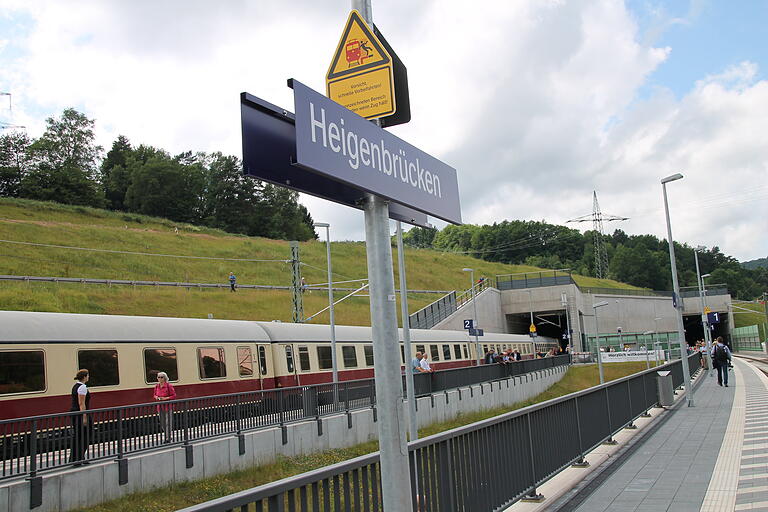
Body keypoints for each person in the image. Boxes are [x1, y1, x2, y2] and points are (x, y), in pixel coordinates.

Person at [69, 369, 91, 466]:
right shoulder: (82, 387)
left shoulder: (75, 386)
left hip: (75, 414)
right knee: (85, 435)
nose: (88, 377)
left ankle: (76, 458)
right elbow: (81, 403)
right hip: (80, 414)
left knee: (78, 436)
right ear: (84, 377)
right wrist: (84, 417)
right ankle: (79, 458)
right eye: (88, 375)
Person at [153, 372, 177, 443]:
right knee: (162, 422)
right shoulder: (157, 386)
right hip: (160, 406)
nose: (160, 378)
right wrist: (156, 397)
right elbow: (154, 395)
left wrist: (165, 398)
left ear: (165, 378)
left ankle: (167, 438)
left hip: (168, 406)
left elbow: (174, 395)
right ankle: (168, 436)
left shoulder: (169, 386)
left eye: (161, 377)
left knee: (168, 422)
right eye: (158, 377)